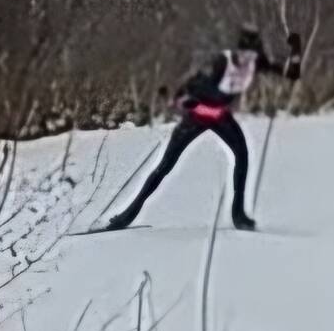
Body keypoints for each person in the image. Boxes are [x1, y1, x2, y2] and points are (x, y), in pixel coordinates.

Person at [107, 26, 303, 232]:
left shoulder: (256, 62)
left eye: (252, 55)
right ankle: (128, 215)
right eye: (245, 54)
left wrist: (296, 50)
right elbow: (194, 85)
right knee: (166, 165)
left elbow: (292, 74)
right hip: (197, 115)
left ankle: (239, 215)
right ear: (238, 51)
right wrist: (181, 99)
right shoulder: (222, 62)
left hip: (219, 116)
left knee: (242, 156)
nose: (247, 59)